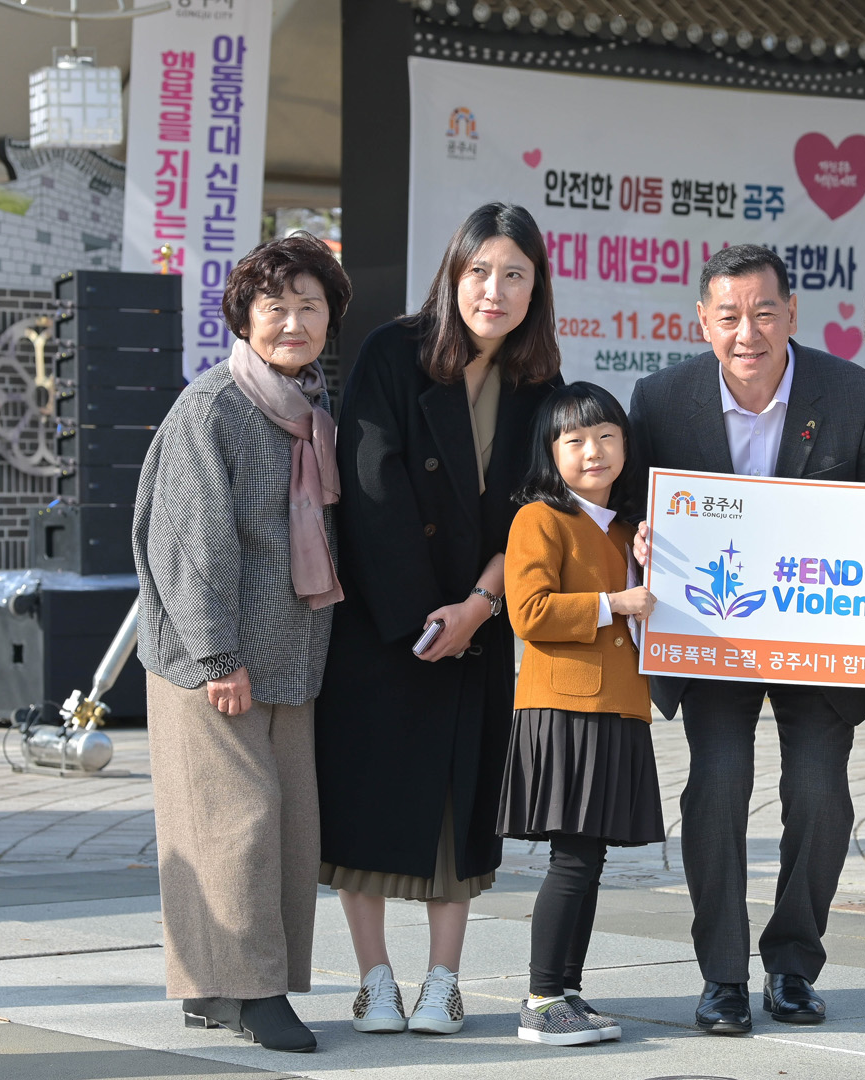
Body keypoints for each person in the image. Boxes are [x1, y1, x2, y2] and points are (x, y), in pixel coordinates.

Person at [628, 243, 865, 1034]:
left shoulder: (855, 396)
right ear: (702, 321)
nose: (746, 332)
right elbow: (632, 511)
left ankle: (792, 964)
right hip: (713, 637)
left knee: (819, 794)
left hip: (820, 642)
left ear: (792, 313)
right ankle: (722, 976)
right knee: (716, 788)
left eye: (763, 312)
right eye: (728, 316)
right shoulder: (661, 399)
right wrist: (639, 542)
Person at [315, 203, 564, 1035]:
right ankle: (374, 980)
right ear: (453, 275)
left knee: (459, 814)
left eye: (515, 274)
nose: (495, 290)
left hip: (479, 627)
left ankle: (444, 983)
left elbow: (537, 513)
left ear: (536, 287)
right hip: (384, 623)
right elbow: (370, 485)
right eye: (479, 271)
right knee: (365, 806)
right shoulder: (393, 352)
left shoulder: (542, 387)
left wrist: (480, 608)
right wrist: (424, 616)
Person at [132, 233, 352, 1054]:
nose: (293, 323)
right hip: (213, 661)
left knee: (285, 827)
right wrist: (218, 658)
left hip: (291, 653)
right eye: (275, 307)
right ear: (244, 317)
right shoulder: (215, 406)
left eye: (310, 307)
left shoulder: (310, 406)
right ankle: (256, 992)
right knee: (237, 823)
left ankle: (219, 989)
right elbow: (189, 542)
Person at [498, 381, 665, 1046]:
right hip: (565, 706)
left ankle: (565, 991)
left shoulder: (629, 529)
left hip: (619, 705)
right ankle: (542, 999)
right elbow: (528, 612)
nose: (593, 451)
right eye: (575, 440)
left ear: (625, 445)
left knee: (588, 859)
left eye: (605, 437)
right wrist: (614, 603)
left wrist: (646, 571)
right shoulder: (539, 519)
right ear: (551, 452)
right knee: (572, 858)